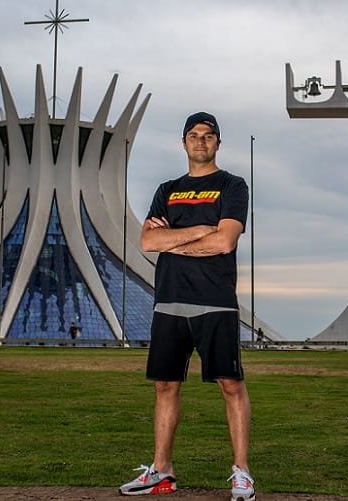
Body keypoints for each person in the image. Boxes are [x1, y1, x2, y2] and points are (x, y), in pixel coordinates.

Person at [119, 112, 254, 501]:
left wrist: (174, 239)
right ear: (183, 142)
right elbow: (147, 242)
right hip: (169, 299)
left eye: (208, 136)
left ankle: (242, 472)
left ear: (217, 143)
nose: (201, 141)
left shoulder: (232, 185)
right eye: (194, 136)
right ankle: (162, 471)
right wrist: (200, 230)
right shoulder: (168, 189)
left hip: (215, 300)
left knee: (230, 384)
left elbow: (225, 242)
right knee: (165, 385)